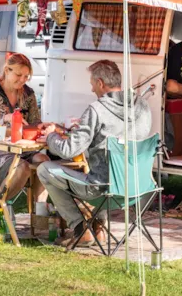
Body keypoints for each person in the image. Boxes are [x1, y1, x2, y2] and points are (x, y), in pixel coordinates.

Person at [37, 60, 152, 248]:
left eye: (92, 84)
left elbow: (68, 150)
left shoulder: (97, 109)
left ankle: (80, 228)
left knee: (44, 169)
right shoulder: (142, 106)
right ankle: (99, 228)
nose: (92, 90)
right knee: (105, 166)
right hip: (137, 187)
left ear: (100, 83)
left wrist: (50, 136)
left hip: (102, 189)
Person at [0, 53, 49, 210]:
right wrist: (5, 118)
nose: (22, 80)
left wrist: (42, 127)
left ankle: (40, 213)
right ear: (7, 70)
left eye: (26, 76)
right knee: (22, 168)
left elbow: (34, 123)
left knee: (44, 162)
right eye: (18, 75)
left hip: (20, 149)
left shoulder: (28, 94)